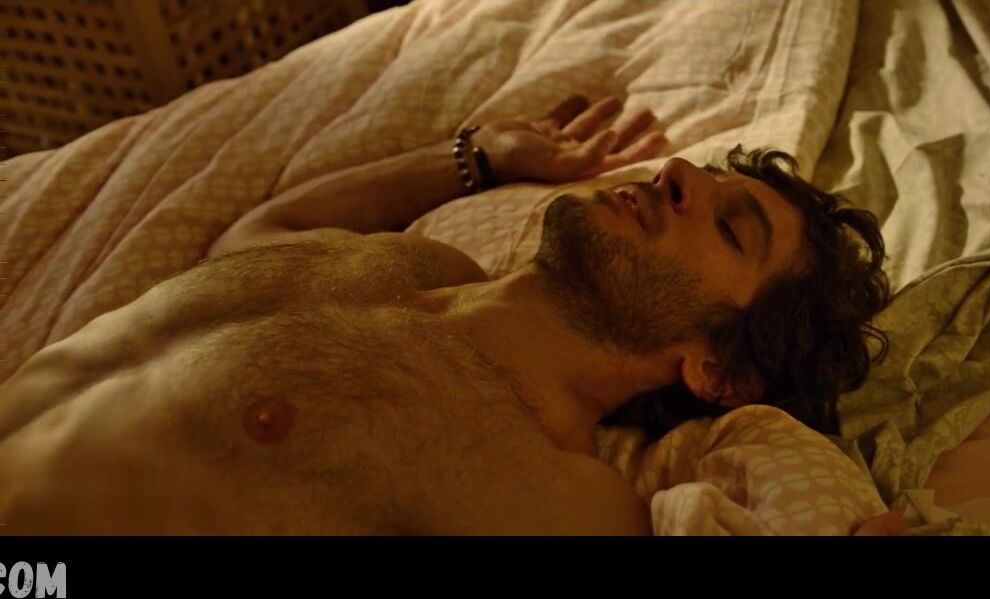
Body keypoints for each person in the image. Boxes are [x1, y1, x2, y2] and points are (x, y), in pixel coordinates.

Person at [0, 95, 890, 535]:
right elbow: (256, 236)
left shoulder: (562, 495)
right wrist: (479, 157)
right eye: (697, 172)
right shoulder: (422, 262)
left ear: (717, 369)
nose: (678, 174)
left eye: (729, 228)